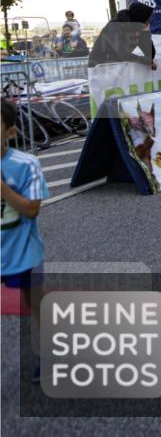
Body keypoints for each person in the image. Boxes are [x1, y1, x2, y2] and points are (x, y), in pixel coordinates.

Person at [1, 99, 49, 383]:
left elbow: (32, 208)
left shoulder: (26, 164)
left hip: (23, 252)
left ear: (9, 132)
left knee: (37, 304)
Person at [88, 2, 156, 68]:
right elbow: (123, 55)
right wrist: (146, 61)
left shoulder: (137, 29)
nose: (149, 21)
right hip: (99, 67)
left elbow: (150, 54)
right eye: (147, 19)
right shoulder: (114, 27)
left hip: (116, 67)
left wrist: (146, 33)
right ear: (140, 18)